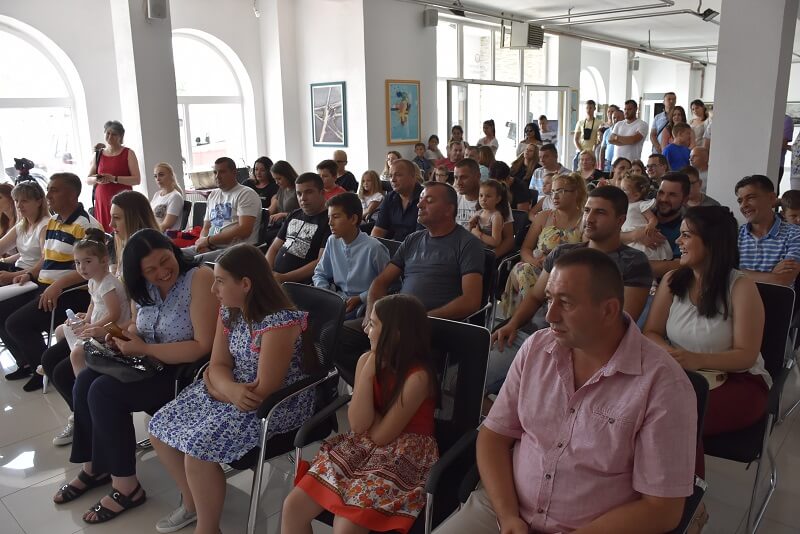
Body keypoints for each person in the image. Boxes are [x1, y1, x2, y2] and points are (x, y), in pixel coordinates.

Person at [439, 248, 694, 534]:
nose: (550, 315)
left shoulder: (664, 384)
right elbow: (494, 437)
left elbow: (662, 509)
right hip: (504, 509)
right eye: (549, 299)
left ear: (608, 310)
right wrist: (508, 516)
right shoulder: (537, 348)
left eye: (566, 303)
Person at [149, 244, 316, 534]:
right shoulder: (230, 311)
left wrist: (218, 386)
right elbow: (218, 364)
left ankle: (207, 527)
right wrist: (226, 388)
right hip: (234, 391)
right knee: (158, 428)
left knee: (197, 450)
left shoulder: (278, 323)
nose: (213, 289)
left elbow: (262, 391)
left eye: (220, 281)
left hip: (274, 405)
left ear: (246, 284)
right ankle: (193, 502)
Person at [53, 229, 216, 524]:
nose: (162, 273)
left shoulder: (198, 278)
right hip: (147, 361)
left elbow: (202, 346)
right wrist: (120, 336)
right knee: (85, 381)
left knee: (103, 392)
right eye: (150, 270)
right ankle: (95, 467)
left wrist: (144, 348)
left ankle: (126, 487)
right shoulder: (144, 288)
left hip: (183, 372)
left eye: (165, 261)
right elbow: (136, 327)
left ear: (173, 251)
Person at [284, 293, 438, 534]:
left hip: (404, 454)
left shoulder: (418, 378)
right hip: (364, 445)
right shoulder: (367, 360)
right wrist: (367, 372)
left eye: (373, 324)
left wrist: (370, 415)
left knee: (346, 525)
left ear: (395, 334)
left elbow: (381, 436)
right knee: (293, 507)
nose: (366, 329)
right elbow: (357, 424)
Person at [644, 206, 768, 489]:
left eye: (686, 235)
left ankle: (689, 500)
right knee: (644, 409)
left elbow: (746, 356)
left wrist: (694, 359)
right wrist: (672, 354)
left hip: (738, 382)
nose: (678, 241)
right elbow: (650, 332)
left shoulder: (741, 287)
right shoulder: (673, 279)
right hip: (684, 374)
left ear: (712, 242)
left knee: (678, 416)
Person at [489, 187, 654, 393]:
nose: (589, 219)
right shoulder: (563, 253)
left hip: (583, 350)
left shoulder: (633, 262)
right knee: (466, 379)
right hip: (533, 334)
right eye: (587, 211)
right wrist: (512, 324)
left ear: (620, 220)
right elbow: (535, 297)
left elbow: (622, 321)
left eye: (600, 212)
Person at [337, 182, 484, 382]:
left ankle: (387, 392)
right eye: (420, 199)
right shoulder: (413, 240)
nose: (419, 205)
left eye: (429, 200)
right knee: (337, 336)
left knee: (389, 345)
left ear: (449, 210)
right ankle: (376, 390)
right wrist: (372, 312)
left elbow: (471, 301)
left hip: (433, 324)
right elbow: (380, 282)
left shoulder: (467, 244)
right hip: (398, 319)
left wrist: (421, 319)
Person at [1, 173, 98, 389]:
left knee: (16, 323)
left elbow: (90, 270)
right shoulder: (55, 221)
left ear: (72, 194)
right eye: (48, 190)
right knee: (3, 311)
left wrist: (58, 285)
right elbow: (47, 259)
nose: (48, 196)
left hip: (70, 292)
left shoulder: (86, 226)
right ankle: (29, 363)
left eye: (54, 190)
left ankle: (43, 368)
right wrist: (29, 274)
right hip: (45, 285)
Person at [501, 173, 586, 317]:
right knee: (524, 269)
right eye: (553, 192)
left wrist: (554, 265)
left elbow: (586, 255)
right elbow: (526, 249)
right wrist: (536, 262)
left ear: (575, 193)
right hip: (537, 268)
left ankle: (535, 318)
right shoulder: (544, 216)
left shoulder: (584, 221)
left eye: (561, 191)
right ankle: (533, 317)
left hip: (567, 273)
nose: (555, 196)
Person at [61, 228, 129, 377]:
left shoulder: (107, 284)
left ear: (104, 261)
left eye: (88, 261)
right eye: (77, 262)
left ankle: (80, 380)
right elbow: (93, 304)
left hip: (113, 330)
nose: (82, 267)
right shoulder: (92, 280)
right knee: (61, 330)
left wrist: (92, 326)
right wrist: (85, 320)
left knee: (76, 355)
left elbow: (114, 314)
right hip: (98, 325)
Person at [313, 193, 390, 319]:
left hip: (364, 305)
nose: (330, 223)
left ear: (353, 219)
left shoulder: (374, 248)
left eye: (336, 217)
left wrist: (360, 298)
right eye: (329, 217)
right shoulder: (332, 240)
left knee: (327, 324)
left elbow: (391, 286)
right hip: (337, 299)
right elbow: (320, 273)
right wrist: (325, 292)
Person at [183, 157, 261, 262]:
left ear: (234, 172)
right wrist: (202, 243)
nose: (217, 176)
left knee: (193, 262)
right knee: (175, 254)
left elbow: (244, 230)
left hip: (236, 250)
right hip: (211, 246)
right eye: (215, 172)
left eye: (222, 172)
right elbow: (206, 227)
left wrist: (208, 241)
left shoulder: (246, 194)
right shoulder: (213, 195)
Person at [266, 172, 331, 283]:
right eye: (299, 193)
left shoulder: (330, 221)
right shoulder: (294, 214)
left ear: (322, 193)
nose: (303, 198)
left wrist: (285, 278)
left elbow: (320, 262)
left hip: (298, 283)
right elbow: (274, 247)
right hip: (275, 277)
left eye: (308, 192)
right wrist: (266, 272)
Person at [736, 174, 800, 286]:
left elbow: (782, 280)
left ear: (771, 198)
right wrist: (771, 275)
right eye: (740, 201)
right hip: (738, 297)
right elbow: (721, 273)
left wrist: (736, 272)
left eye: (750, 198)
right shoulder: (734, 235)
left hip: (776, 298)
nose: (744, 205)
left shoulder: (795, 234)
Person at [623, 172, 689, 280]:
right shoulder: (641, 212)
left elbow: (679, 265)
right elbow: (610, 238)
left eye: (672, 195)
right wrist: (636, 235)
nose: (664, 199)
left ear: (685, 199)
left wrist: (628, 264)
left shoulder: (686, 228)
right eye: (661, 193)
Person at [87, 120, 142, 232]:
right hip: (102, 200)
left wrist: (114, 178)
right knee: (105, 232)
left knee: (124, 230)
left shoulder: (128, 153)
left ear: (120, 136)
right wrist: (97, 179)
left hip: (122, 200)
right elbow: (88, 179)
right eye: (108, 133)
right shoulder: (98, 154)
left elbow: (136, 180)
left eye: (114, 134)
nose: (110, 136)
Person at [454, 159, 514, 257]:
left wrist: (488, 258)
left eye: (463, 177)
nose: (458, 182)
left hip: (482, 255)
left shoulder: (497, 204)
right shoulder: (454, 199)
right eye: (456, 178)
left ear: (478, 176)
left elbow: (509, 239)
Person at [0, 181, 49, 285]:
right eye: (16, 201)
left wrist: (12, 276)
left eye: (24, 201)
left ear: (39, 202)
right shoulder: (22, 224)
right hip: (17, 268)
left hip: (31, 277)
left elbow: (46, 262)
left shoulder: (45, 225)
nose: (18, 205)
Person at [620, 173, 672, 261]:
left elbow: (652, 218)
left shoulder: (641, 205)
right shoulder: (623, 205)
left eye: (624, 190)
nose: (621, 192)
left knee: (643, 253)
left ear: (636, 195)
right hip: (630, 235)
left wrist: (650, 225)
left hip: (643, 232)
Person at [371, 159, 424, 241]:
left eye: (398, 175)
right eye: (390, 176)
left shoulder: (425, 198)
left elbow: (420, 238)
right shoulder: (389, 198)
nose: (393, 180)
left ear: (413, 176)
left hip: (416, 246)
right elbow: (379, 230)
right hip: (393, 245)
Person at [110, 190, 161, 275]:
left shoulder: (146, 254)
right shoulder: (126, 247)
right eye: (111, 217)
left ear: (135, 219)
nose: (111, 224)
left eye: (116, 218)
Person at [469, 179, 510, 249]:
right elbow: (471, 233)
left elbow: (496, 242)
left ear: (498, 199)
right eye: (481, 195)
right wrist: (471, 225)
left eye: (488, 196)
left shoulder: (496, 216)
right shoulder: (479, 212)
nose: (483, 199)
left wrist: (478, 234)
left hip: (488, 251)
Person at [150, 162, 185, 232]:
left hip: (165, 235)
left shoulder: (175, 196)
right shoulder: (157, 194)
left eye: (161, 175)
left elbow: (166, 225)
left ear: (171, 176)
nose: (157, 179)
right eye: (155, 176)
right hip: (154, 231)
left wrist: (148, 233)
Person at [266, 160, 301, 229]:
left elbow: (303, 213)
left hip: (294, 226)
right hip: (282, 225)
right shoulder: (282, 188)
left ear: (287, 175)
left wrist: (284, 215)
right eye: (275, 179)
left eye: (279, 179)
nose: (276, 182)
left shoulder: (298, 190)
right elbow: (272, 209)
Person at [573, 99, 600, 171]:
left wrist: (594, 150)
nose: (588, 110)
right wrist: (581, 151)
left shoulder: (599, 123)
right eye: (587, 108)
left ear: (594, 109)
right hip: (580, 152)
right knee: (576, 172)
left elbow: (599, 139)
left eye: (590, 108)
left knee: (591, 172)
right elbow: (576, 139)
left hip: (592, 153)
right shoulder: (580, 122)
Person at [600, 106, 624, 172]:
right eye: (614, 118)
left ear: (624, 118)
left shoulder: (626, 132)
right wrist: (601, 166)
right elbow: (602, 149)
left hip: (620, 163)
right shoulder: (607, 132)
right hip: (607, 163)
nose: (616, 120)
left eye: (618, 117)